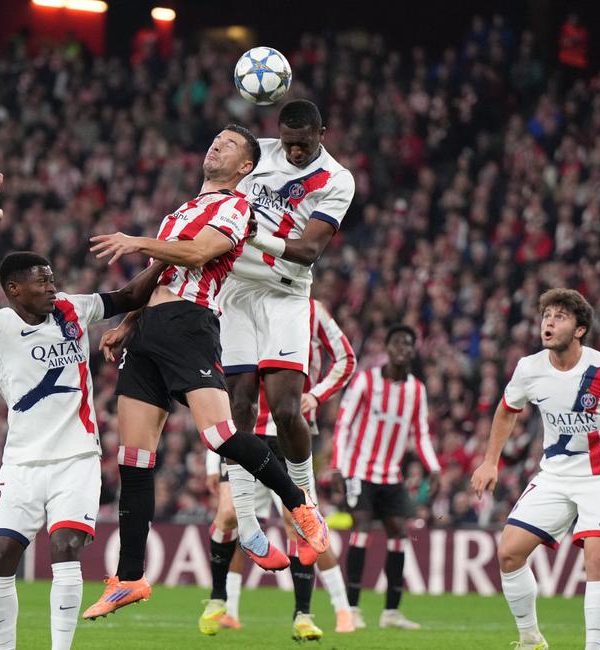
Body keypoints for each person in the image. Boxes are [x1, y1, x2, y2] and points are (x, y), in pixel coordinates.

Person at [82, 125, 330, 620]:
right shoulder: (181, 211)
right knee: (132, 459)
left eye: (230, 145)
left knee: (221, 436)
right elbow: (154, 278)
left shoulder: (238, 208)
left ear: (245, 167)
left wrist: (137, 240)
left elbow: (196, 255)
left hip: (189, 325)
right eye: (214, 139)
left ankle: (300, 506)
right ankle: (129, 577)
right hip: (150, 330)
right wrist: (127, 322)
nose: (216, 145)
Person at [0, 174, 164, 650]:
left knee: (67, 548)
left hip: (76, 458)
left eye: (52, 278)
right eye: (41, 281)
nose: (53, 287)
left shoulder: (72, 308)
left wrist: (164, 257)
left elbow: (129, 298)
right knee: (2, 554)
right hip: (23, 461)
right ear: (14, 289)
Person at [470, 289, 600, 650]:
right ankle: (530, 638)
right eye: (546, 314)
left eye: (559, 316)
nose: (548, 321)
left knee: (596, 560)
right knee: (508, 553)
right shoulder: (529, 368)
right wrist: (490, 460)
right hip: (555, 475)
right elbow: (506, 409)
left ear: (580, 330)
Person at [218, 100, 355, 570]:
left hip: (285, 295)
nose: (295, 151)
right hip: (236, 290)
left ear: (323, 132)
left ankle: (305, 504)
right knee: (237, 407)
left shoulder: (338, 179)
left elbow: (310, 249)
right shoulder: (259, 156)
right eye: (289, 141)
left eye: (305, 142)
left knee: (285, 410)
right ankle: (249, 526)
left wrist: (253, 233)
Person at [200, 298, 357, 640]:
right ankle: (219, 601)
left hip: (288, 435)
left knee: (297, 521)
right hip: (243, 435)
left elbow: (346, 358)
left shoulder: (309, 309)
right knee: (228, 514)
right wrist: (211, 458)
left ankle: (306, 613)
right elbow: (216, 385)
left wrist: (315, 396)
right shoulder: (236, 303)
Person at [332, 324, 441, 630]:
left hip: (391, 475)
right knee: (362, 526)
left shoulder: (416, 389)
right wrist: (338, 466)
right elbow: (343, 423)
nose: (402, 348)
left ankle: (391, 612)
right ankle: (351, 608)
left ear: (413, 350)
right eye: (397, 343)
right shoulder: (366, 381)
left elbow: (420, 433)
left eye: (408, 344)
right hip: (359, 470)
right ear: (387, 348)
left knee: (398, 533)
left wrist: (433, 467)